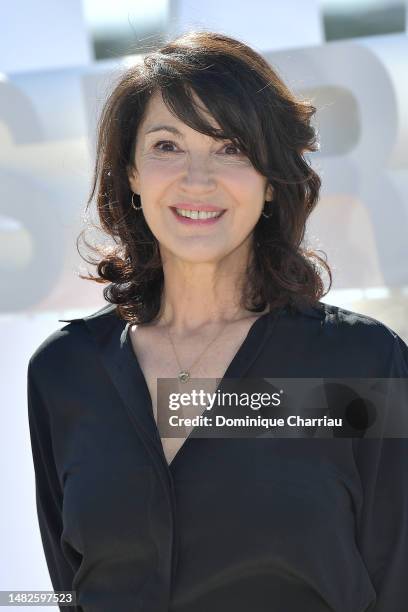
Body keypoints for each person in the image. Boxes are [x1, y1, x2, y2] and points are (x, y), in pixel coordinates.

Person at [27, 30, 408, 611]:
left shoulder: (362, 363)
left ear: (272, 180)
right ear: (130, 173)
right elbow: (69, 590)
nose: (197, 179)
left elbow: (397, 578)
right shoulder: (64, 372)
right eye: (166, 145)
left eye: (230, 147)